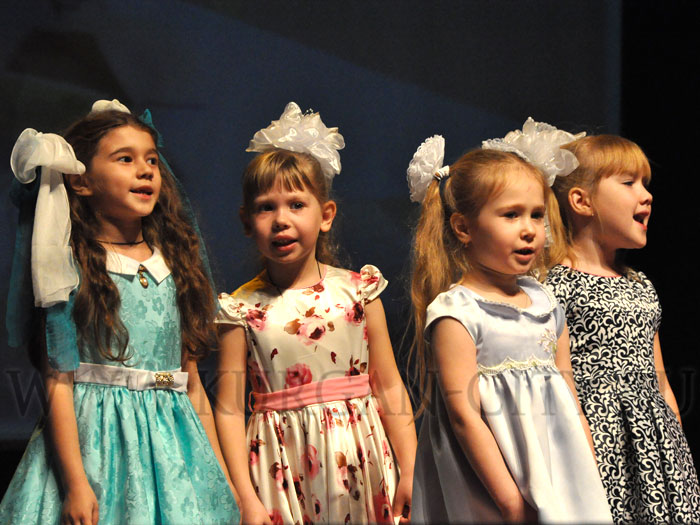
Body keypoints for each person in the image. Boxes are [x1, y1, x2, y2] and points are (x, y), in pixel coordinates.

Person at [0, 100, 239, 524]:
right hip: (98, 443)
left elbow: (190, 383)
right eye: (125, 159)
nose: (145, 170)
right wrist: (76, 484)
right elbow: (59, 381)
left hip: (172, 445)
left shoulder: (175, 264)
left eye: (151, 160)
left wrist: (220, 476)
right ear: (81, 182)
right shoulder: (69, 265)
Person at [214, 102, 416, 524]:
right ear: (247, 222)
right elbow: (229, 410)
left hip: (361, 460)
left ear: (325, 216)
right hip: (282, 471)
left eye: (296, 205)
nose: (280, 220)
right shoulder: (240, 310)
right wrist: (246, 498)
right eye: (266, 207)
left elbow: (388, 385)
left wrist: (411, 467)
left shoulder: (359, 292)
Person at [408, 125, 612, 523]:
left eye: (536, 215)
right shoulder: (458, 312)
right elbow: (464, 417)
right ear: (464, 228)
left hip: (555, 474)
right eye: (511, 215)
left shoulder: (545, 302)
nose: (529, 229)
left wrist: (587, 469)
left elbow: (568, 393)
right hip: (491, 484)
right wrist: (509, 502)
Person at [545, 133, 700, 523]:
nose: (646, 195)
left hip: (657, 449)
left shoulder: (640, 284)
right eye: (629, 183)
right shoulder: (555, 285)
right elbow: (558, 379)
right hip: (601, 445)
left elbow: (660, 381)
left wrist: (677, 451)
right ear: (581, 201)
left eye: (645, 183)